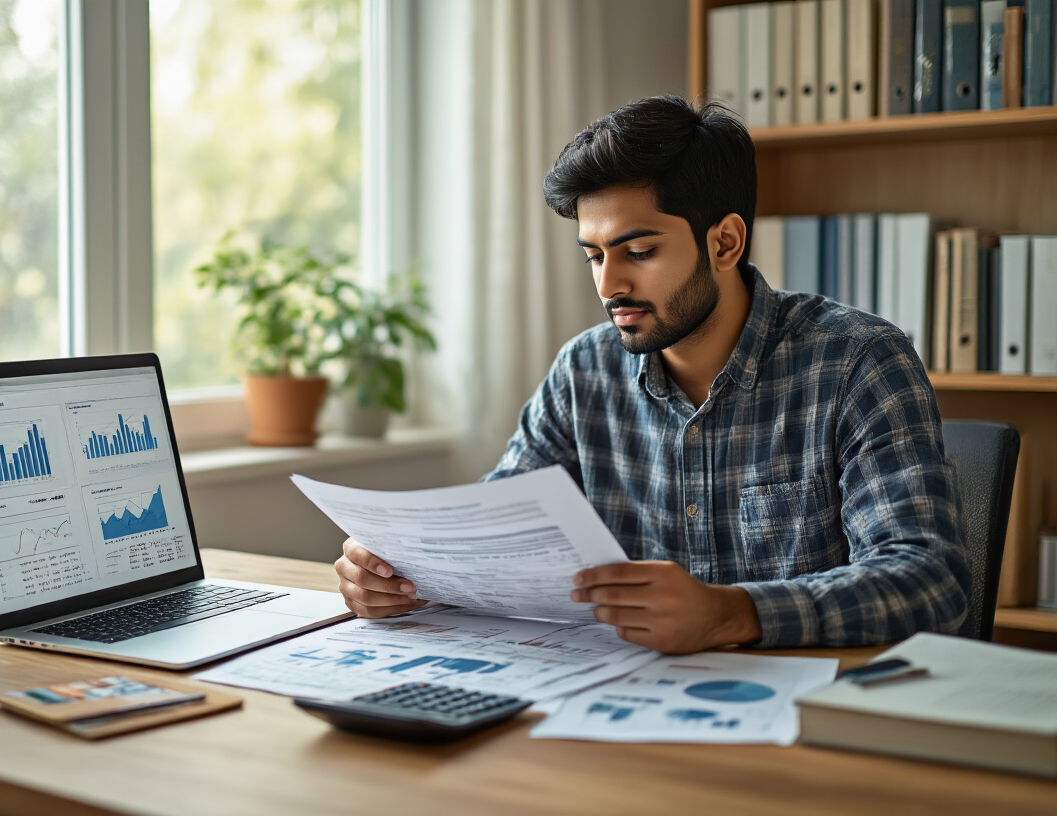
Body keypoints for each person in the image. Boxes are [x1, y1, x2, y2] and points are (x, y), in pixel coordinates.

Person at [333, 95, 969, 654]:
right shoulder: (583, 372)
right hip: (624, 713)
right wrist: (404, 577)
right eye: (594, 255)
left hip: (813, 726)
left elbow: (928, 579)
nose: (610, 285)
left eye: (639, 251)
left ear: (725, 243)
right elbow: (496, 538)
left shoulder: (858, 362)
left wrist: (733, 613)